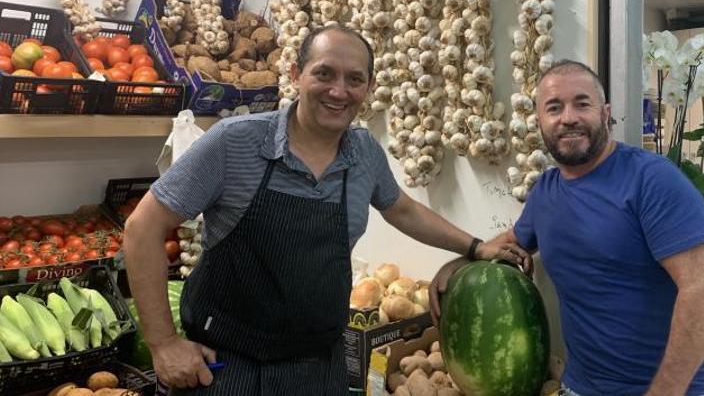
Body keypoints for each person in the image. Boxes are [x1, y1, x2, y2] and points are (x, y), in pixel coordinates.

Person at [123, 24, 529, 395]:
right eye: (324, 73)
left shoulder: (364, 153)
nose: (339, 91)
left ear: (369, 86)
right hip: (227, 369)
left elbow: (402, 209)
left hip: (317, 369)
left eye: (354, 80)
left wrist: (475, 247)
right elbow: (141, 230)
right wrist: (162, 343)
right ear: (297, 73)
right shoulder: (235, 143)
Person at [430, 60, 704, 396]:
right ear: (540, 122)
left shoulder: (651, 179)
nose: (568, 117)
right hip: (581, 387)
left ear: (605, 113)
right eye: (554, 107)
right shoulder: (546, 192)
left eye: (581, 104)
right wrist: (458, 263)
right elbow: (511, 242)